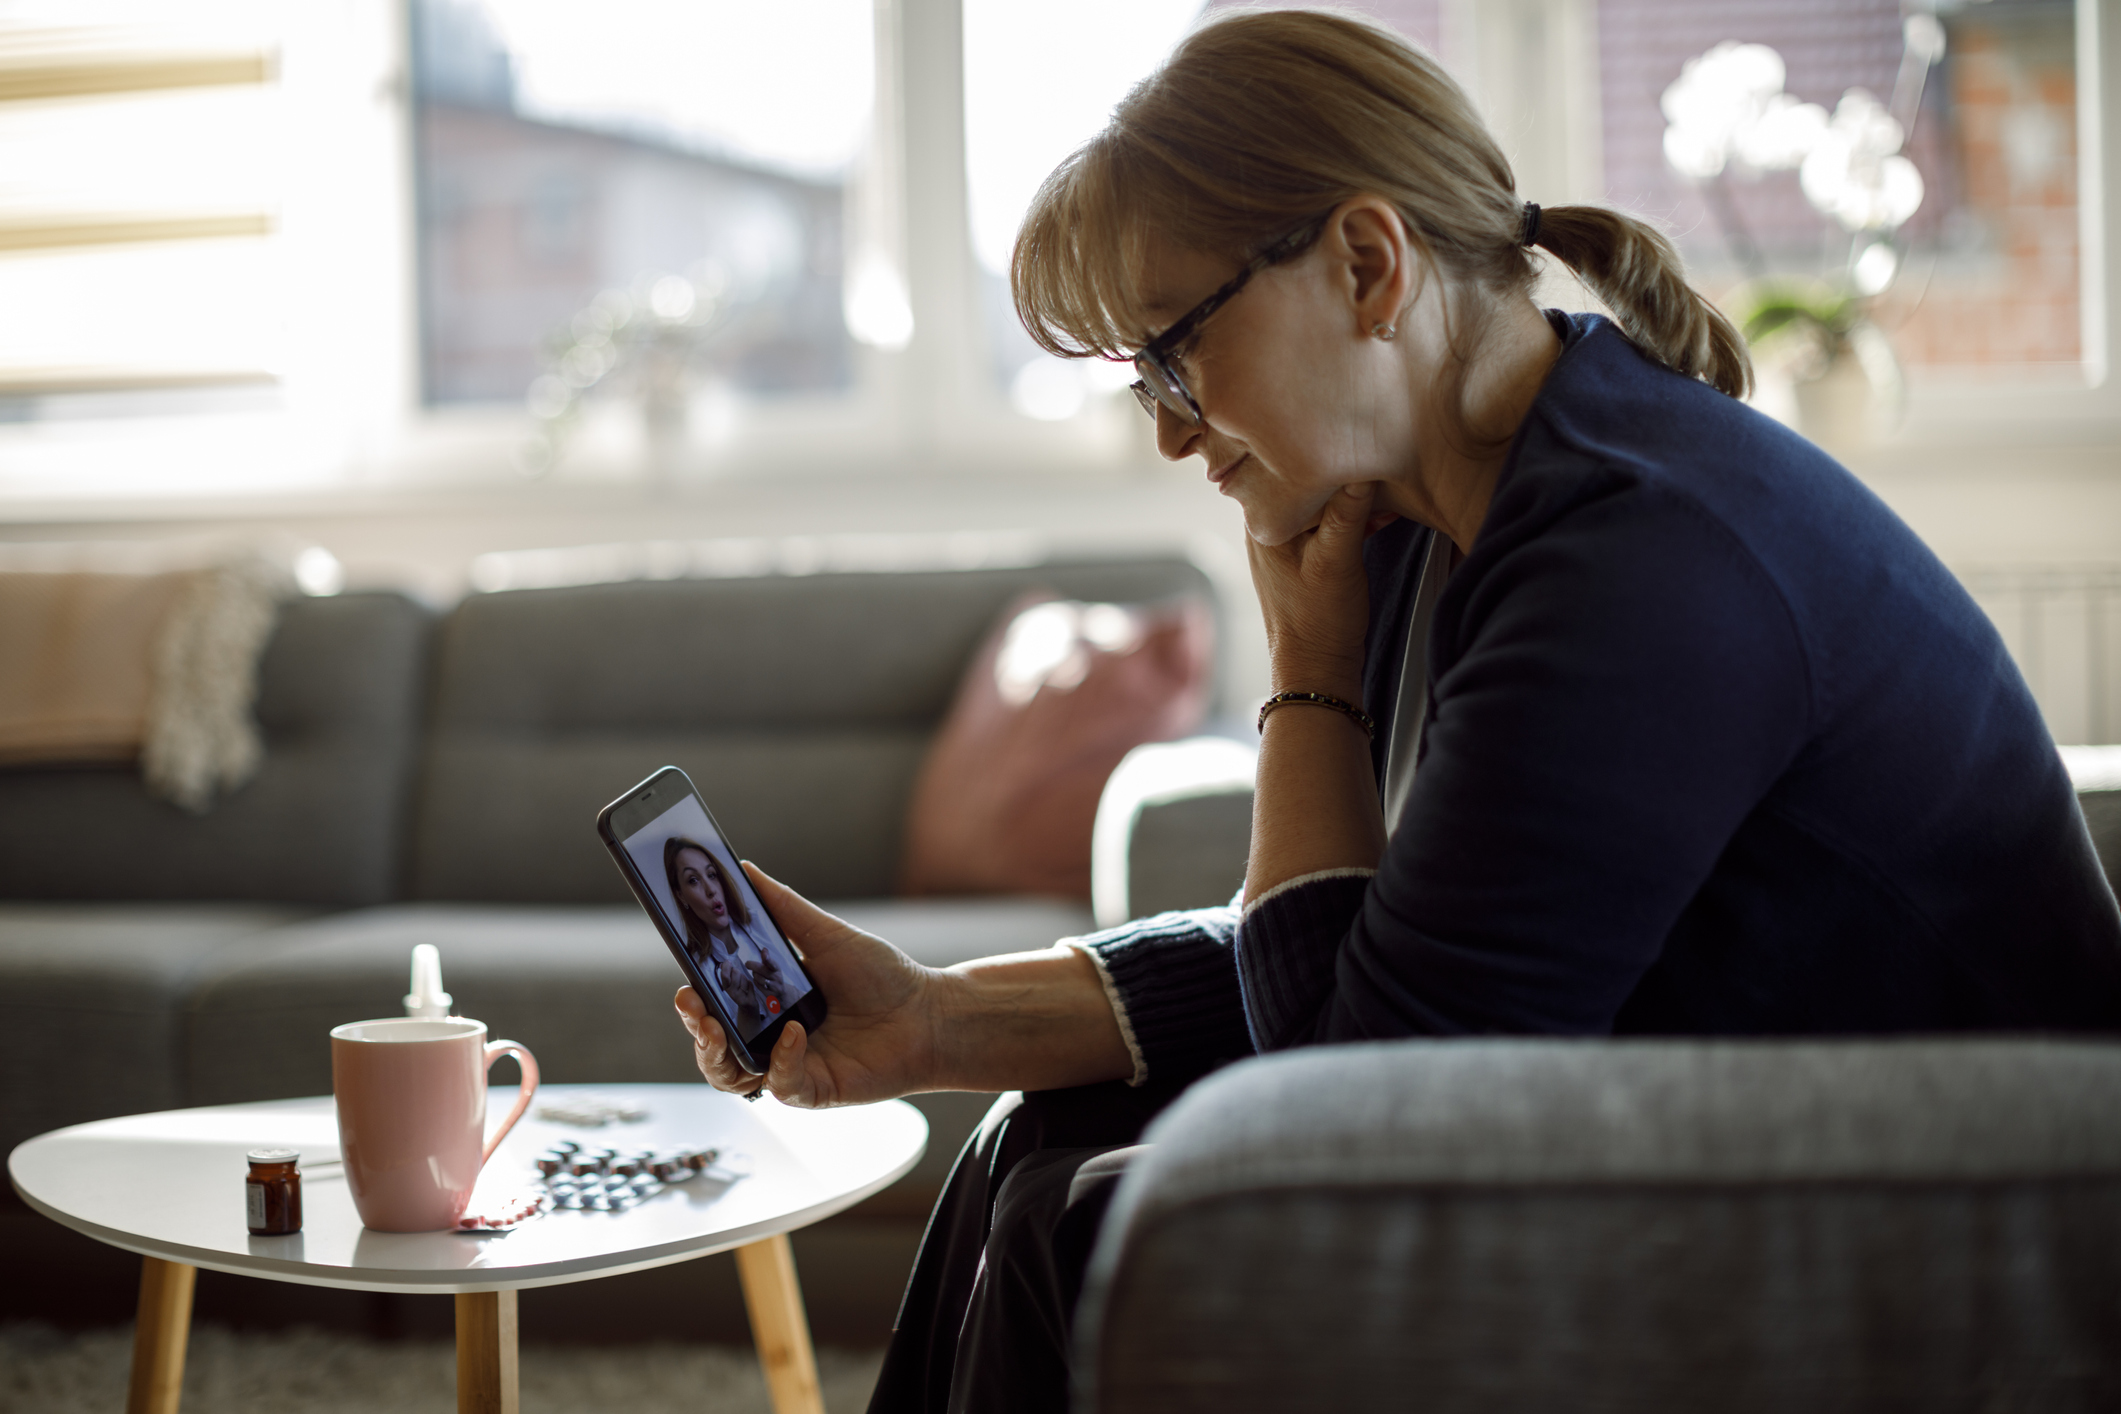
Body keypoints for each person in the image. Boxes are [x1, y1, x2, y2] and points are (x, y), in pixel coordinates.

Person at [671, 11, 2121, 1412]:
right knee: (1027, 1143)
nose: (1169, 428)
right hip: (1681, 1117)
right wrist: (929, 1021)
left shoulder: (1634, 557)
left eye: (1175, 355)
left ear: (1368, 263)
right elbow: (1366, 957)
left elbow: (1351, 1112)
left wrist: (1306, 668)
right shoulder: (1445, 517)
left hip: (1927, 1201)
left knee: (1084, 1226)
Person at [663, 836, 791, 1038]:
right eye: (693, 880)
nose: (710, 890)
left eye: (711, 875)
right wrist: (747, 1012)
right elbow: (739, 1045)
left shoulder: (758, 923)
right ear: (681, 895)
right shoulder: (700, 969)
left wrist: (783, 991)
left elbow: (801, 990)